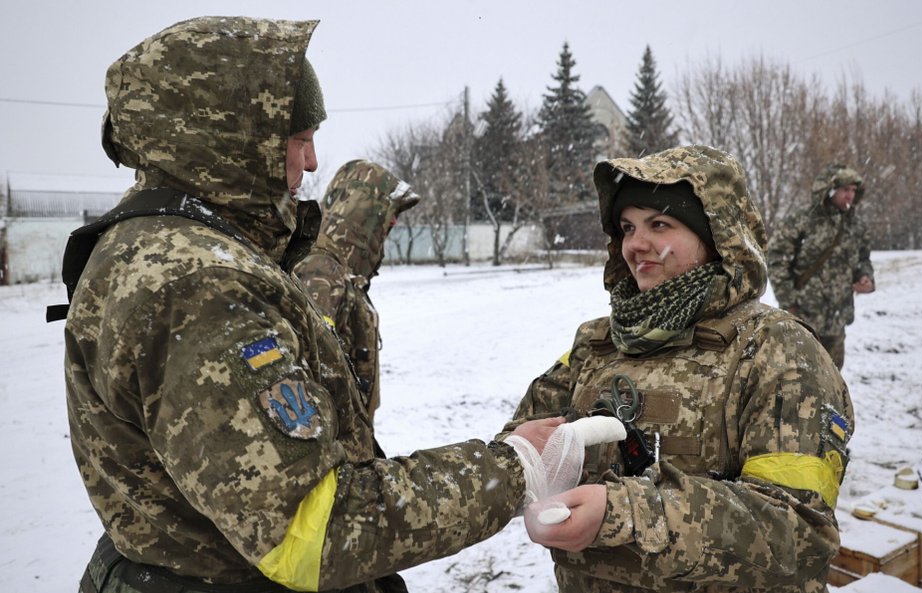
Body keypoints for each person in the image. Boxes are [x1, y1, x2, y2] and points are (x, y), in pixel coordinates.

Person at [59, 16, 573, 593]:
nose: (310, 162)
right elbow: (314, 531)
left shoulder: (159, 248)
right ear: (228, 142)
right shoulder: (198, 283)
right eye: (299, 139)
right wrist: (510, 466)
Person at [506, 145, 854, 592]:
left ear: (715, 237)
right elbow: (520, 443)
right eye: (628, 227)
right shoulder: (596, 343)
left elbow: (798, 531)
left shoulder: (779, 351)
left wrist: (625, 513)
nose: (636, 244)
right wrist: (534, 470)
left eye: (660, 224)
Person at [296, 160, 420, 424]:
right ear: (361, 209)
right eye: (388, 211)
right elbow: (312, 380)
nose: (394, 221)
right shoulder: (320, 271)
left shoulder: (342, 270)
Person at [767, 163, 875, 369]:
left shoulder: (855, 225)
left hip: (837, 321)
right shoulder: (802, 220)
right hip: (803, 317)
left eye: (853, 190)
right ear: (830, 190)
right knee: (797, 381)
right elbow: (776, 258)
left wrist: (865, 278)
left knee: (832, 382)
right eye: (845, 190)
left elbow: (863, 259)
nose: (850, 196)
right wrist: (788, 301)